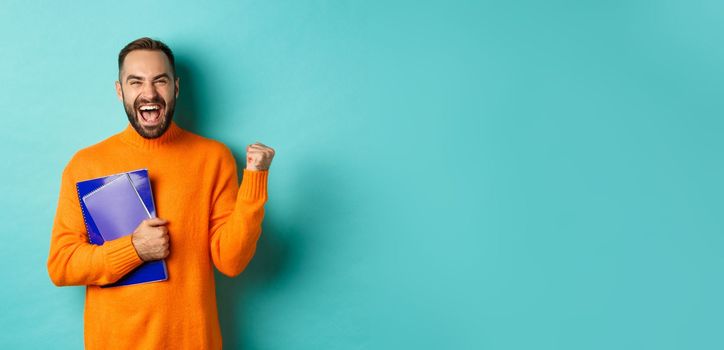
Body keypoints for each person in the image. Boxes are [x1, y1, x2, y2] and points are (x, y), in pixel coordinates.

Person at [46, 37, 275, 349]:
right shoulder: (86, 164)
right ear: (119, 90)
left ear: (176, 88)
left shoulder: (213, 158)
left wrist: (255, 180)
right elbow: (62, 265)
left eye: (160, 81)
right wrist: (135, 249)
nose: (149, 93)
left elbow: (231, 261)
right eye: (136, 81)